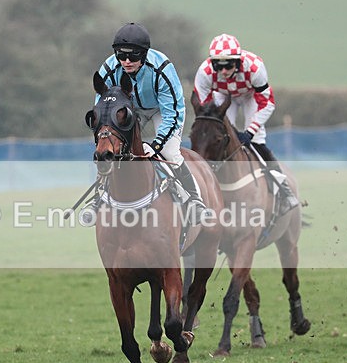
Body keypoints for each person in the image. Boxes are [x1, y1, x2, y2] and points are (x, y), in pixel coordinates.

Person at [93, 22, 209, 220]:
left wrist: (155, 145)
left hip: (161, 109)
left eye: (133, 56)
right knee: (109, 150)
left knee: (169, 153)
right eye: (121, 55)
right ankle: (98, 198)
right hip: (130, 110)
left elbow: (171, 114)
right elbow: (102, 110)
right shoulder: (109, 69)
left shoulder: (161, 68)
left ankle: (193, 199)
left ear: (144, 54)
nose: (126, 61)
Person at [193, 33, 299, 215]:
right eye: (218, 65)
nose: (223, 71)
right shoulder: (204, 73)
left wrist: (249, 132)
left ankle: (283, 189)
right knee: (217, 138)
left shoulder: (255, 68)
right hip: (223, 96)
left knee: (257, 140)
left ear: (238, 62)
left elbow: (267, 103)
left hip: (251, 96)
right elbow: (206, 110)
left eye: (228, 65)